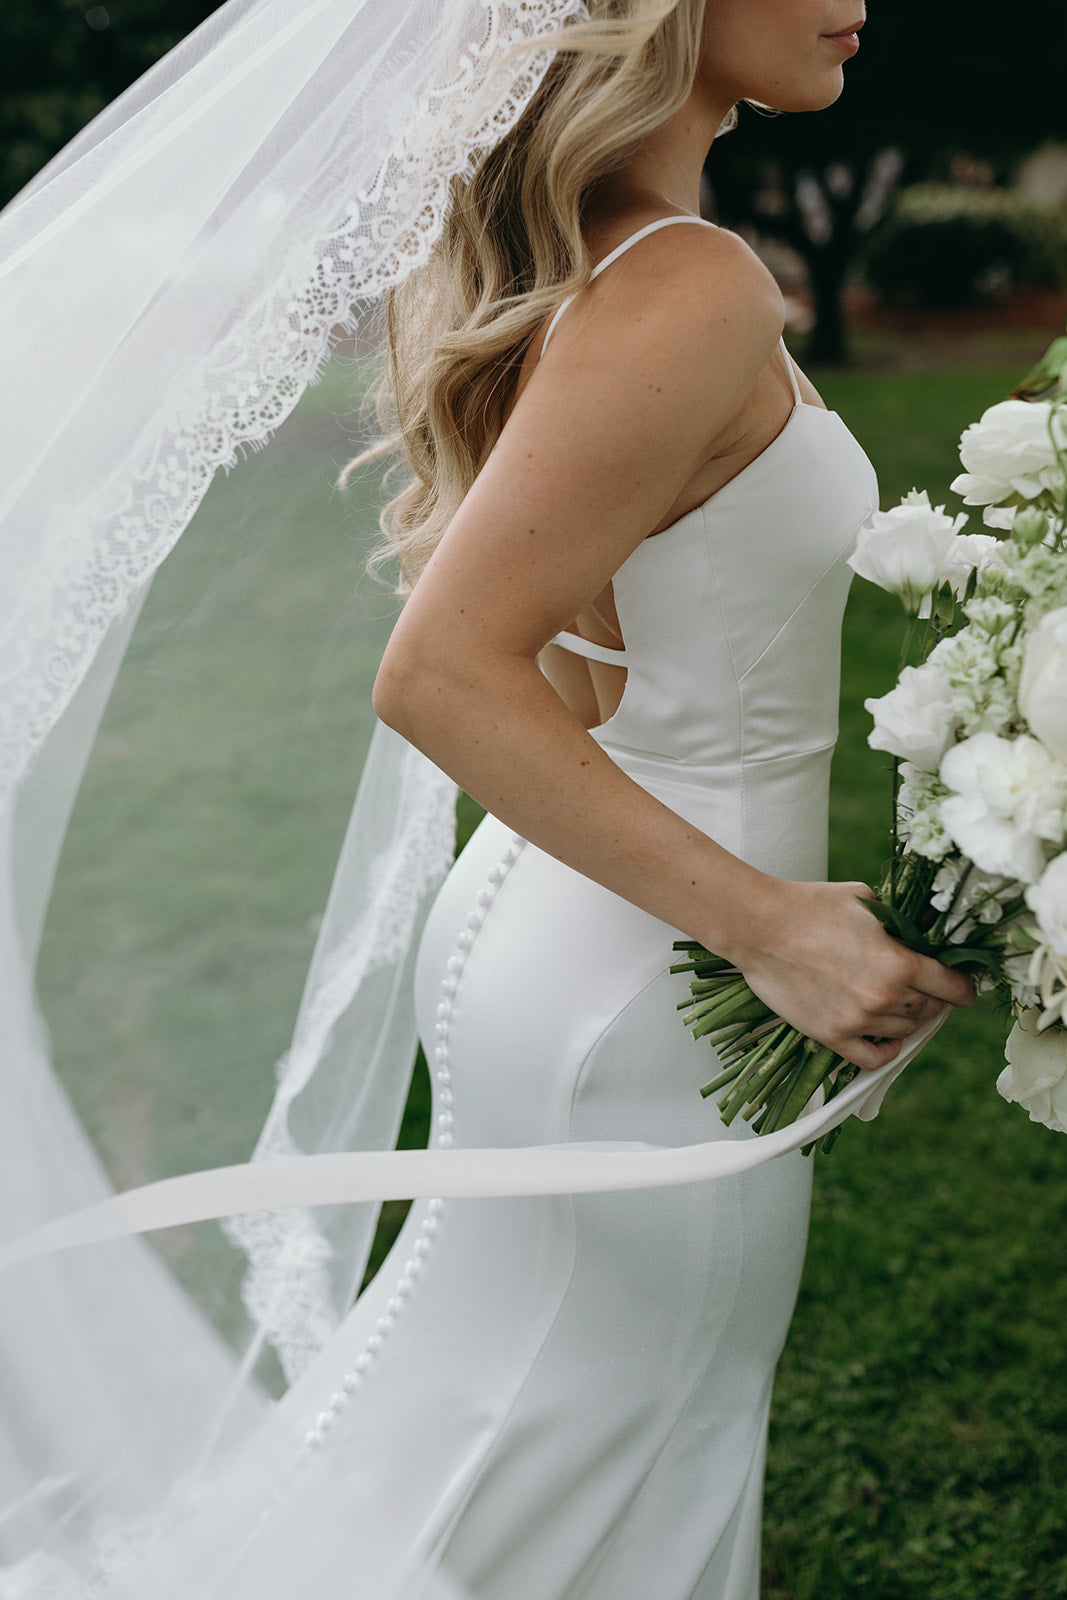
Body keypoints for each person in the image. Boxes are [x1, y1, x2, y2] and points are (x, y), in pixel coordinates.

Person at [0, 2, 973, 1596]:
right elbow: (442, 670)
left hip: (583, 945)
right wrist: (776, 930)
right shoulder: (691, 284)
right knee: (596, 1457)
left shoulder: (616, 265)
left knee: (510, 1431)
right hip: (656, 981)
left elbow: (600, 659)